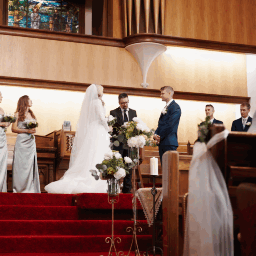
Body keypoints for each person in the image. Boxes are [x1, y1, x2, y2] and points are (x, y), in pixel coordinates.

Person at [45, 84, 111, 194]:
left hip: (93, 130)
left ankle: (94, 175)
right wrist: (108, 127)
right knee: (98, 154)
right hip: (99, 130)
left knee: (92, 154)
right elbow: (101, 118)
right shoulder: (97, 102)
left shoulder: (91, 103)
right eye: (102, 89)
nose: (103, 90)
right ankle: (97, 181)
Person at [12, 95, 40, 193]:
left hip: (31, 142)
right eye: (29, 99)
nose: (31, 101)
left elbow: (33, 129)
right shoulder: (17, 114)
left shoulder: (32, 114)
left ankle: (30, 188)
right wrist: (27, 130)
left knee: (29, 165)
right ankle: (19, 189)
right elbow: (13, 129)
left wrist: (32, 130)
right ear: (25, 101)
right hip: (22, 142)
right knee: (21, 165)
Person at [110, 93, 137, 193]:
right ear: (119, 102)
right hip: (118, 145)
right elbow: (113, 129)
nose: (125, 105)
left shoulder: (133, 113)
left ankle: (127, 189)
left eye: (126, 102)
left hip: (129, 145)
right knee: (117, 166)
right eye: (122, 103)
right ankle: (115, 188)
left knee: (128, 166)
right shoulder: (113, 112)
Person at [153, 86, 181, 163]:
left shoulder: (175, 107)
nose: (160, 95)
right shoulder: (167, 107)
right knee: (164, 169)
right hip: (163, 142)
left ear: (169, 93)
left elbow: (170, 125)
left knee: (170, 170)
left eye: (162, 93)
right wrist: (155, 134)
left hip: (169, 142)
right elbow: (161, 124)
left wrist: (159, 136)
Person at [0, 92, 11, 192]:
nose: (2, 97)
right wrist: (2, 124)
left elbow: (4, 124)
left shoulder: (2, 109)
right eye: (0, 96)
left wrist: (8, 122)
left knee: (2, 161)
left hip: (2, 137)